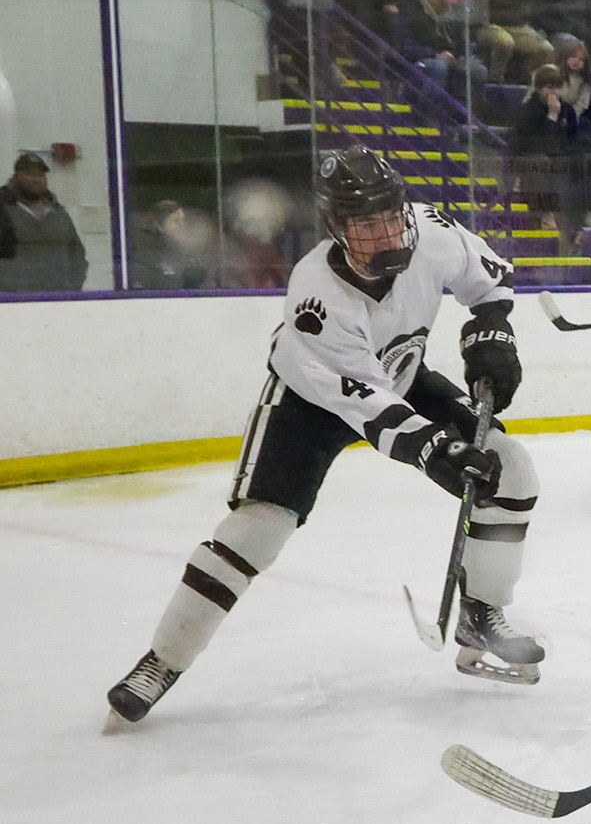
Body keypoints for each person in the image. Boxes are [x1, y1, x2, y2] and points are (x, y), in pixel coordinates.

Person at [104, 147, 541, 722]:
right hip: (311, 402)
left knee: (510, 467)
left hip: (398, 373)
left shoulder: (433, 230)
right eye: (364, 223)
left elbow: (488, 281)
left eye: (389, 215)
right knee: (255, 529)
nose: (384, 231)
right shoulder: (316, 296)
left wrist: (491, 331)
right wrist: (436, 450)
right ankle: (163, 659)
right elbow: (368, 407)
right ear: (337, 228)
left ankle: (480, 614)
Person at [0, 150, 85, 292]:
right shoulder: (3, 209)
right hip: (13, 301)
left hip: (58, 299)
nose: (36, 179)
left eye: (40, 175)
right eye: (29, 174)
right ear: (16, 177)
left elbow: (77, 254)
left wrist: (72, 288)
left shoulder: (59, 213)